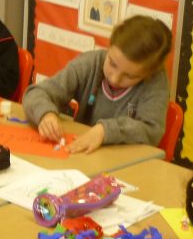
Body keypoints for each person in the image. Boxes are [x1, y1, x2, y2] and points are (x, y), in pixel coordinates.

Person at [22, 14, 171, 153]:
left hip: (125, 160)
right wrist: (45, 114)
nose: (115, 79)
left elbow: (152, 130)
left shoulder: (155, 82)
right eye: (112, 64)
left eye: (130, 76)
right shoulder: (90, 64)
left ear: (147, 74)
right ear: (109, 47)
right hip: (82, 156)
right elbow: (36, 93)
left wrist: (104, 131)